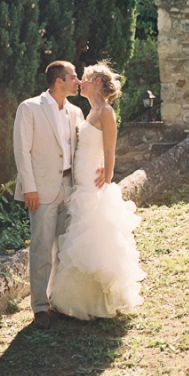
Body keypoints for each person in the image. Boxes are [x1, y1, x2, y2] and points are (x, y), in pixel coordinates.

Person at [50, 63, 145, 320]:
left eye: (87, 78)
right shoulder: (88, 111)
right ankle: (83, 300)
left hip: (93, 182)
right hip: (79, 180)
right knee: (80, 237)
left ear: (99, 83)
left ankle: (97, 302)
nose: (81, 81)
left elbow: (109, 149)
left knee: (92, 236)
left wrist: (109, 175)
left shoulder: (106, 112)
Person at [13, 61, 86, 329]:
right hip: (41, 190)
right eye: (73, 76)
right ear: (59, 81)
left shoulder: (76, 112)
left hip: (70, 186)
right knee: (41, 248)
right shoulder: (29, 108)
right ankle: (40, 307)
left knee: (66, 247)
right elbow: (22, 151)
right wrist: (29, 188)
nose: (77, 81)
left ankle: (61, 299)